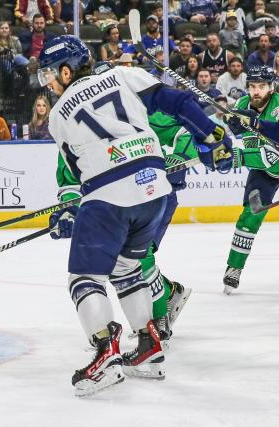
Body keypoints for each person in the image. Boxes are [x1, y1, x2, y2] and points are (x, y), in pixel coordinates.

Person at [37, 35, 232, 396]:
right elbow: (176, 100)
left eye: (49, 74)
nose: (47, 83)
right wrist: (212, 134)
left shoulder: (58, 114)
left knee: (83, 278)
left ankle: (105, 354)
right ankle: (149, 348)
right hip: (155, 190)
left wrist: (71, 212)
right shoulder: (122, 75)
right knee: (126, 269)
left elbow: (79, 174)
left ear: (66, 70)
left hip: (109, 195)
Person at [223, 66, 279, 294]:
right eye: (253, 86)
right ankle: (234, 268)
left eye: (262, 87)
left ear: (272, 87)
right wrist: (234, 125)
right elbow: (254, 148)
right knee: (249, 216)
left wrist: (258, 125)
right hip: (265, 169)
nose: (256, 91)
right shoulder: (242, 105)